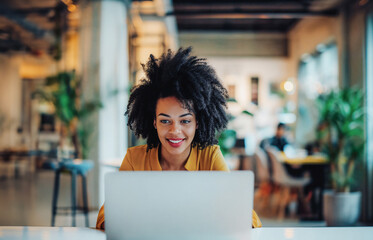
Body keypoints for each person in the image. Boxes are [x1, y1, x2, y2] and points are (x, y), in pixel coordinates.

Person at [96, 47, 262, 229]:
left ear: (198, 122)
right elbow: (105, 217)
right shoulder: (135, 159)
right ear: (154, 123)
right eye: (165, 121)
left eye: (185, 121)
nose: (175, 131)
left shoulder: (210, 157)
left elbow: (248, 218)